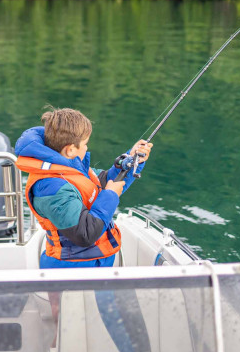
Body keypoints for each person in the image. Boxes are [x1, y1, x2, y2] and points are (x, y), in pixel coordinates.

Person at [14, 107, 152, 268]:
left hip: (97, 264)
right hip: (73, 270)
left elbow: (101, 183)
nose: (87, 148)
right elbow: (84, 234)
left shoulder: (69, 165)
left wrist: (132, 159)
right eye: (85, 144)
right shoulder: (51, 187)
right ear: (70, 149)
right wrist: (110, 195)